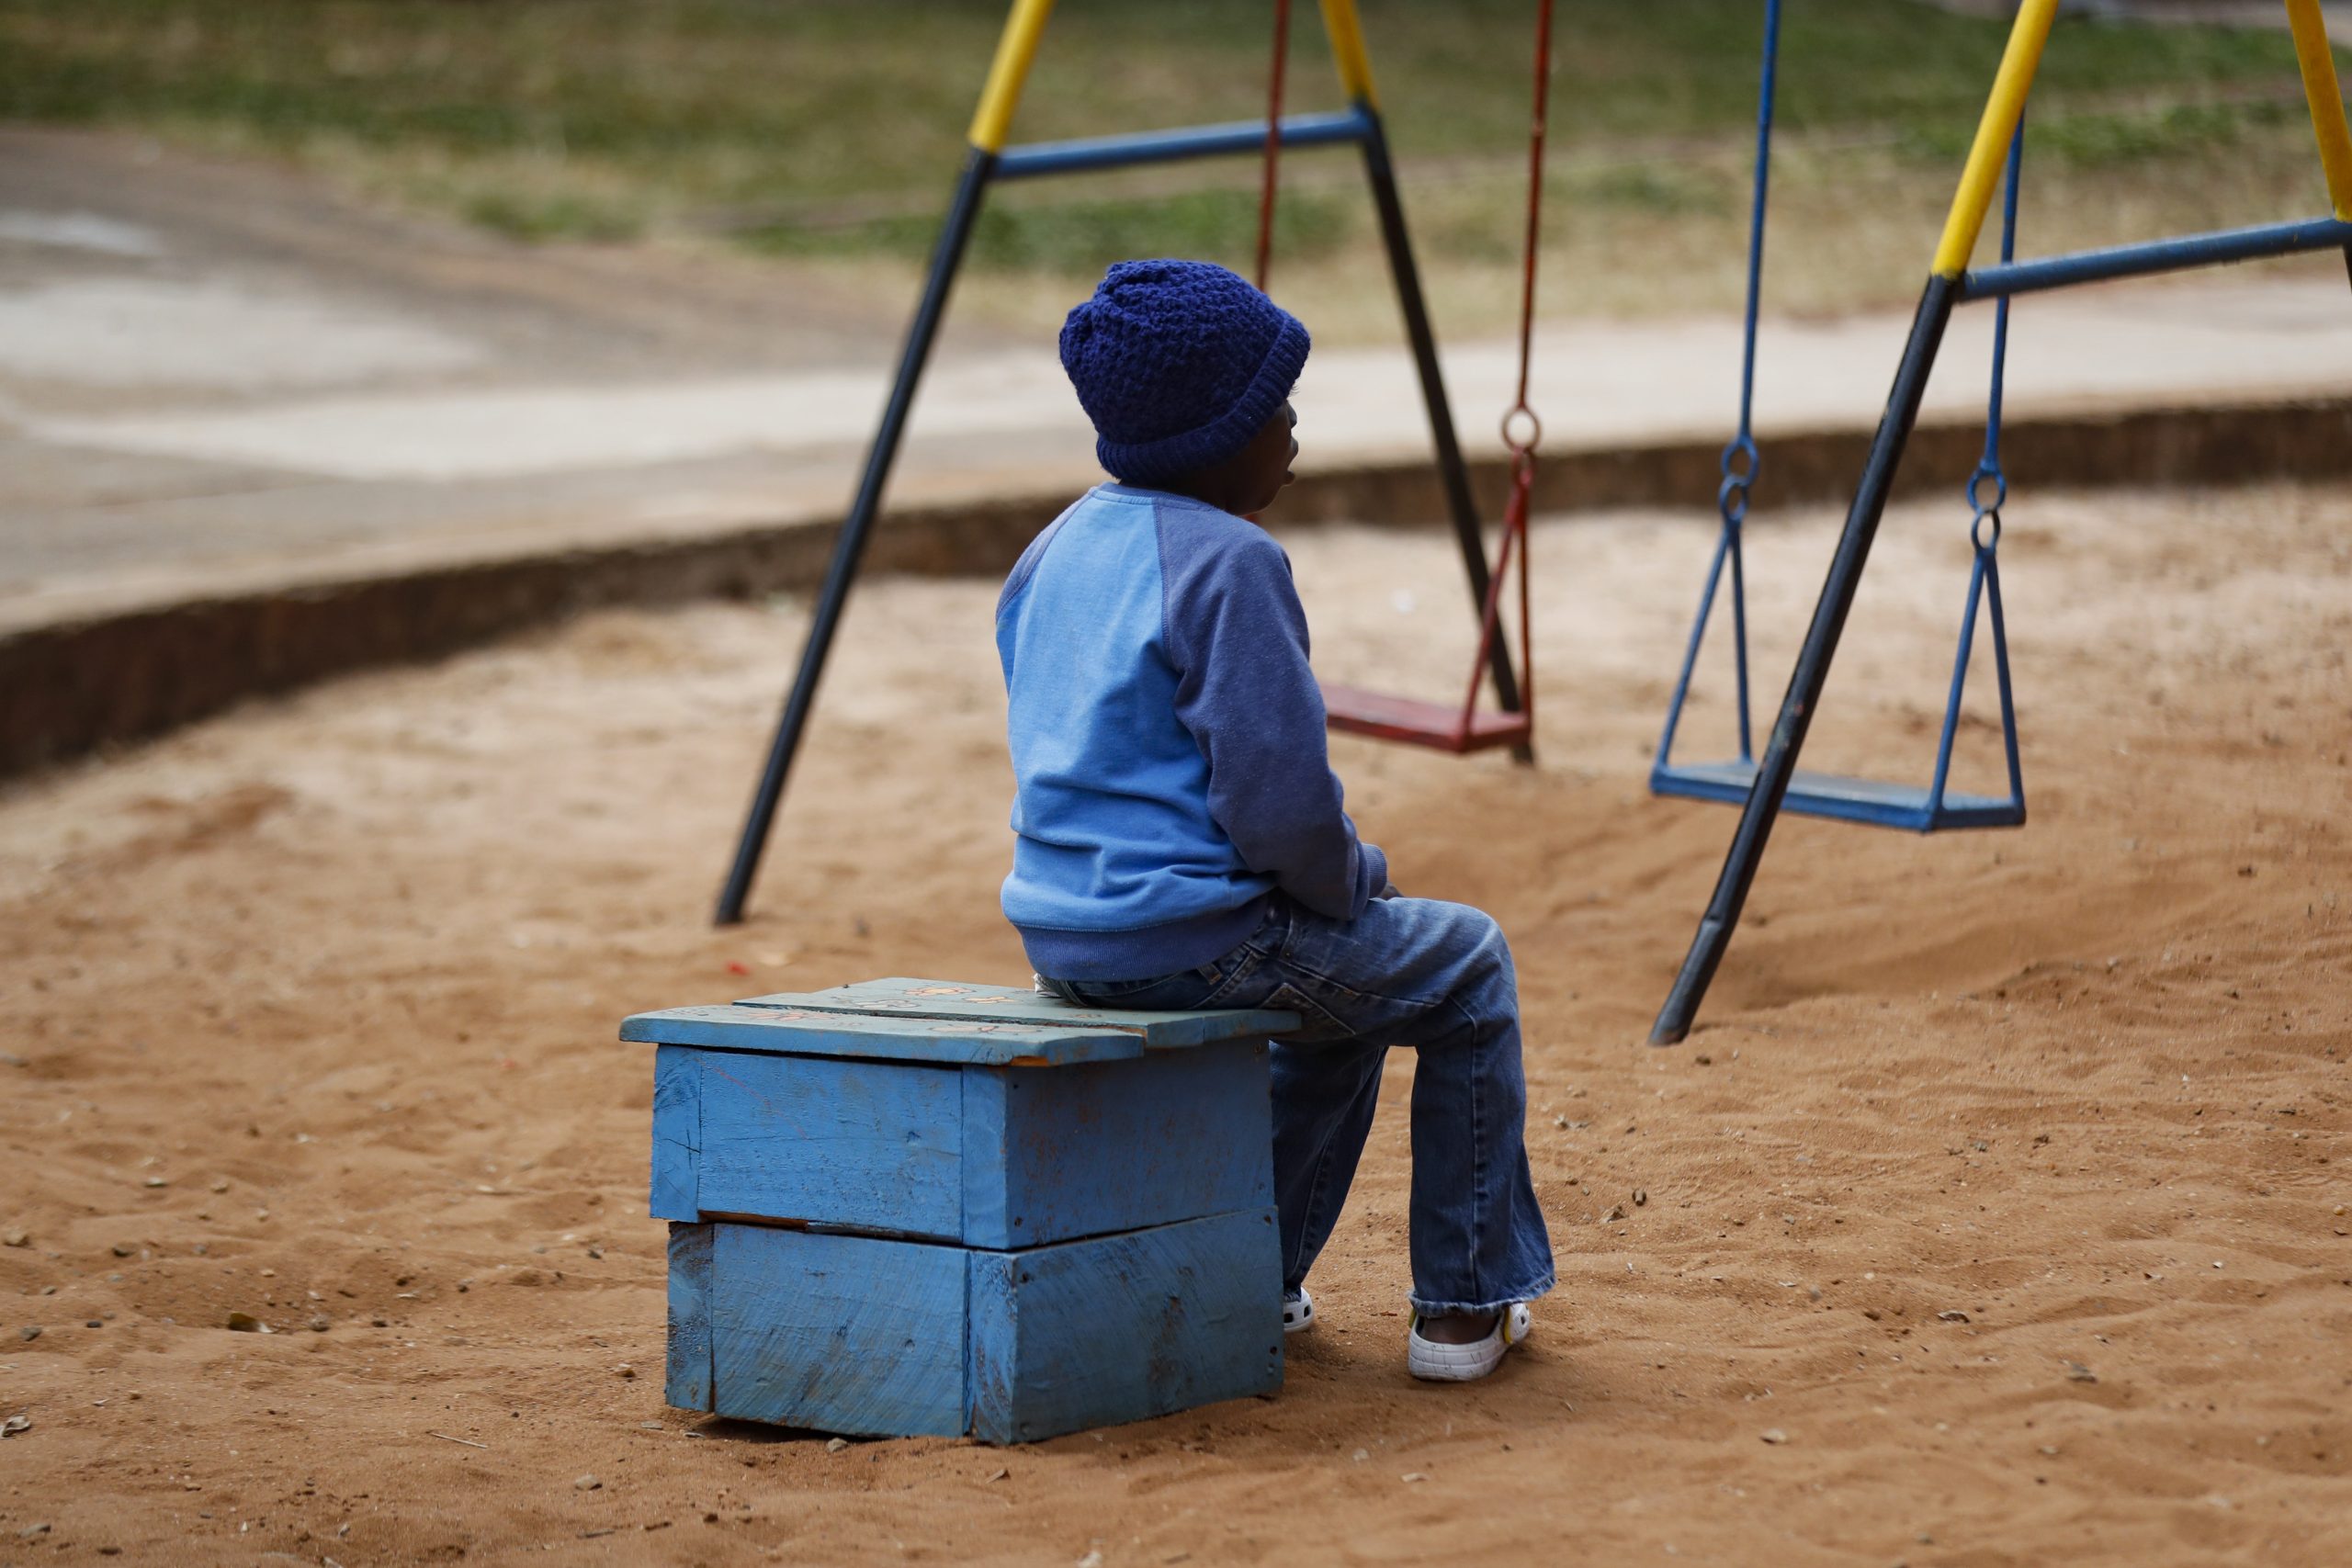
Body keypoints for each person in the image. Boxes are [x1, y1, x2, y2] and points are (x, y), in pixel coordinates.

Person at [995, 258, 1554, 1382]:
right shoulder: (1231, 563)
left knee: (1344, 1004)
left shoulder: (1054, 549)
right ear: (1212, 436)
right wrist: (1353, 877)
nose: (1293, 426)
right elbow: (1278, 806)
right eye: (1272, 407)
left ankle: (1252, 1275)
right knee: (1465, 966)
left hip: (1066, 931)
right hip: (1196, 938)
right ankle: (1463, 1304)